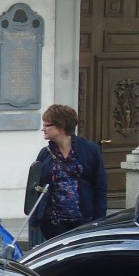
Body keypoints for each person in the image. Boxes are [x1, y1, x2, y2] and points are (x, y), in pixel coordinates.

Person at [28, 103, 107, 244]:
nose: (43, 129)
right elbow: (36, 188)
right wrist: (34, 220)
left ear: (61, 126)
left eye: (47, 125)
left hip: (83, 220)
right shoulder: (45, 154)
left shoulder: (89, 150)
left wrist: (99, 220)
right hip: (52, 223)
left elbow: (100, 186)